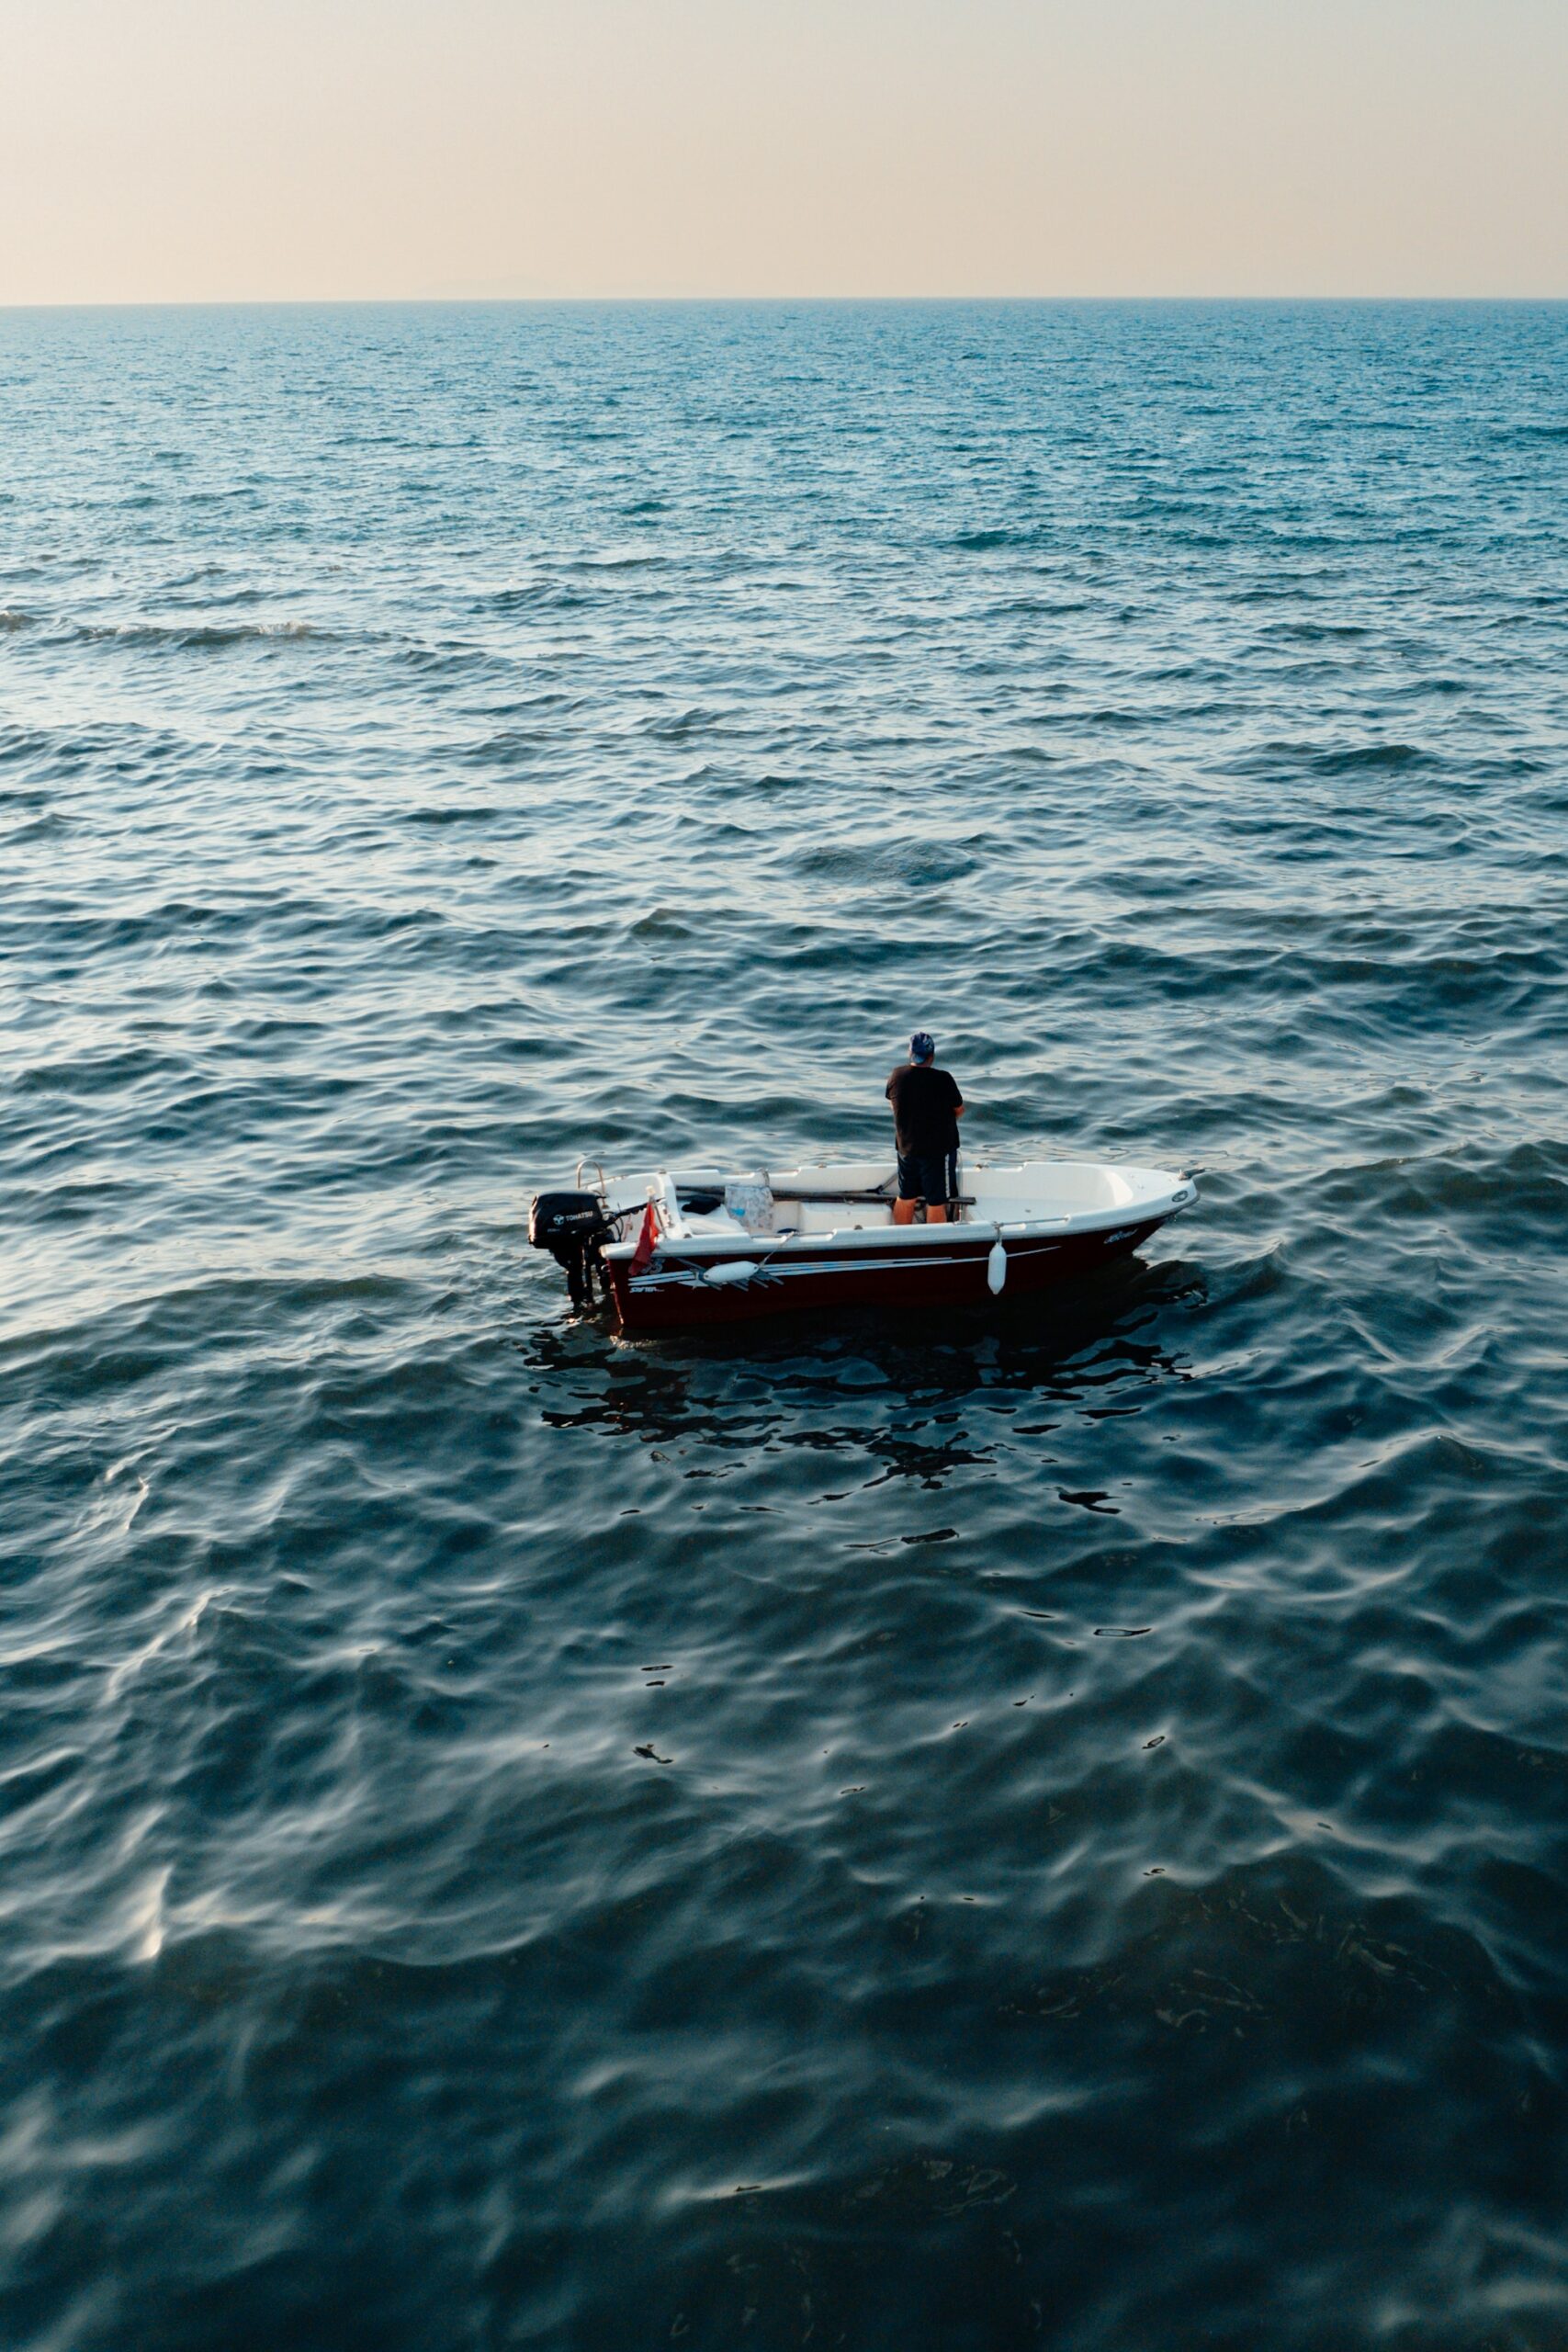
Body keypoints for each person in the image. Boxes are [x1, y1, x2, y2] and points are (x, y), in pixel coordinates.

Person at [885, 1031, 964, 1225]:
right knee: (936, 1201)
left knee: (906, 1196)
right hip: (938, 1151)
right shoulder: (943, 1079)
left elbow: (893, 1105)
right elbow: (959, 1110)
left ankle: (900, 1241)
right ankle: (932, 1246)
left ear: (910, 1053)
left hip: (906, 1149)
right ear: (932, 1056)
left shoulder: (896, 1076)